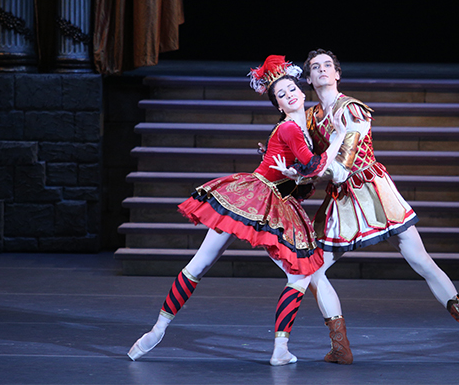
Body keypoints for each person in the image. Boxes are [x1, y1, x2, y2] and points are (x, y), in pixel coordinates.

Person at [127, 55, 347, 366]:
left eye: (291, 89)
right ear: (279, 106)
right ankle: (161, 330)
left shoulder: (302, 129)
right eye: (282, 95)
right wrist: (336, 138)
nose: (290, 95)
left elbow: (306, 177)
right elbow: (313, 166)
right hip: (259, 199)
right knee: (293, 275)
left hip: (273, 201)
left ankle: (160, 329)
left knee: (210, 266)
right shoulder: (291, 130)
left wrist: (297, 174)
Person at [302, 49, 459, 364]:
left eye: (328, 65)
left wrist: (307, 170)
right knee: (311, 268)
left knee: (421, 261)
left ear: (338, 74)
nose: (323, 70)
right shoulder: (312, 117)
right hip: (342, 200)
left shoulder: (352, 110)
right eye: (316, 67)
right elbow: (310, 158)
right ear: (310, 78)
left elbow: (343, 162)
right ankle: (340, 345)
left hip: (372, 192)